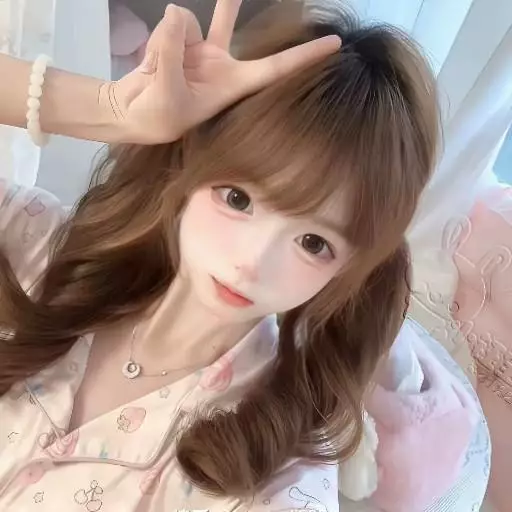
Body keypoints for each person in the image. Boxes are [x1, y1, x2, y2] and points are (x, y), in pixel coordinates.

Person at [0, 1, 439, 510]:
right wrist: (112, 110)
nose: (252, 261)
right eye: (238, 199)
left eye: (314, 243)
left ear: (349, 267)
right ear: (192, 161)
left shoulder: (271, 481)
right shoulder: (43, 250)